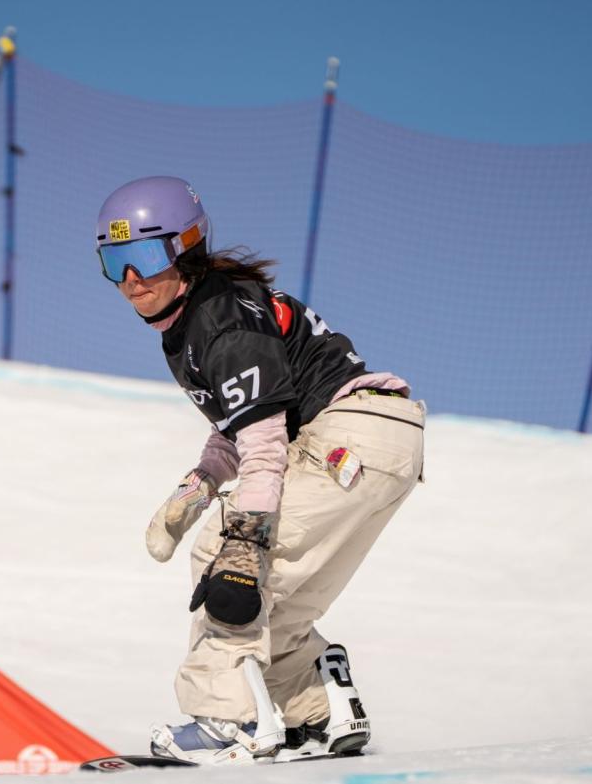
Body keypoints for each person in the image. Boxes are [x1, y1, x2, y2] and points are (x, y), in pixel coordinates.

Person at [94, 176, 425, 764]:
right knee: (278, 598)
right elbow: (242, 425)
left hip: (342, 439)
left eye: (144, 256)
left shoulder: (218, 321)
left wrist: (242, 539)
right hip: (380, 445)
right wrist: (197, 488)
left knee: (228, 560)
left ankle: (226, 720)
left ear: (187, 248)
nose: (130, 280)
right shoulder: (209, 315)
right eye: (113, 261)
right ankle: (317, 711)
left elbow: (266, 442)